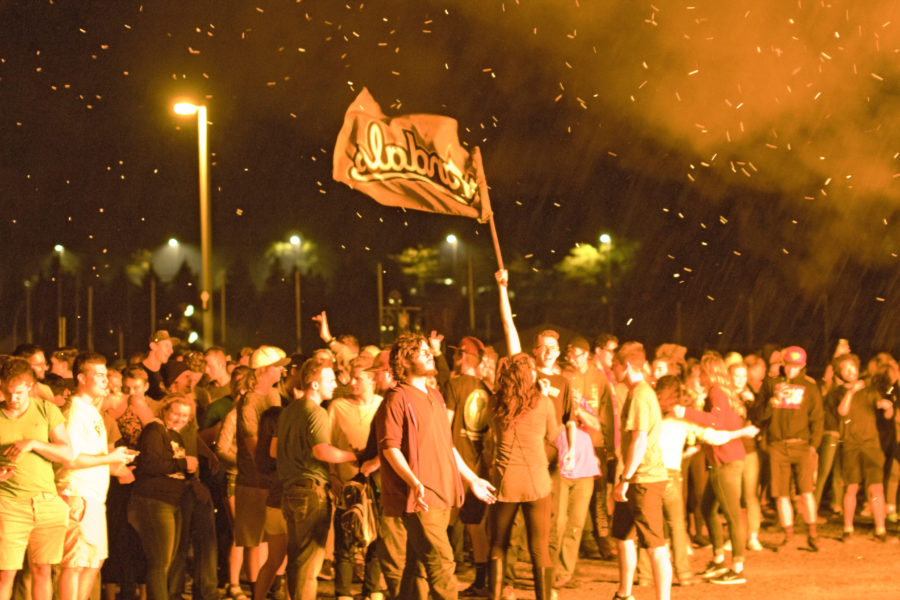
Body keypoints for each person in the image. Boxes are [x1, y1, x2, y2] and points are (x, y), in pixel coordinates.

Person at [375, 333, 496, 600]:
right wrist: (414, 482)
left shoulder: (436, 396)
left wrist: (472, 479)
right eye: (422, 351)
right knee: (442, 563)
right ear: (405, 361)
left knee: (417, 565)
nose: (430, 354)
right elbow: (390, 448)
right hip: (421, 498)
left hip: (443, 493)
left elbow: (447, 446)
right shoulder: (397, 398)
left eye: (429, 350)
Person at [56, 353, 136, 600]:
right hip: (77, 493)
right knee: (75, 563)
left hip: (95, 495)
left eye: (106, 375)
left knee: (94, 560)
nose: (106, 381)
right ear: (81, 378)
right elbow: (70, 458)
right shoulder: (75, 412)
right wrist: (110, 459)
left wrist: (116, 460)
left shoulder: (91, 411)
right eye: (98, 375)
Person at [276, 358, 357, 600]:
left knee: (296, 559)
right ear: (313, 384)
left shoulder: (288, 411)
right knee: (309, 566)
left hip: (290, 491)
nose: (335, 384)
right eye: (330, 380)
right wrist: (355, 456)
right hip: (311, 493)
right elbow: (321, 451)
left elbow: (275, 450)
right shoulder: (316, 412)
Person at [0, 357, 74, 600]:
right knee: (5, 573)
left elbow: (67, 453)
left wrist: (32, 443)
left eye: (19, 393)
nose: (13, 399)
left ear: (31, 387)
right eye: (7, 392)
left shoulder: (46, 409)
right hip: (7, 503)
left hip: (45, 501)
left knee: (43, 569)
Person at [610, 342, 671, 600]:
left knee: (655, 545)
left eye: (614, 366)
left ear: (625, 366)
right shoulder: (639, 392)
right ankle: (624, 594)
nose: (611, 371)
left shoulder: (639, 395)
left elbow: (639, 440)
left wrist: (624, 478)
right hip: (636, 477)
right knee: (623, 536)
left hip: (644, 478)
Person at [682, 354, 748, 584]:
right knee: (708, 507)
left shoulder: (717, 392)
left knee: (731, 515)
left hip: (725, 460)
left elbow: (715, 421)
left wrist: (686, 413)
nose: (699, 375)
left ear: (710, 372)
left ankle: (737, 567)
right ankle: (719, 559)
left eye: (701, 371)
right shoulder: (724, 392)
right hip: (727, 457)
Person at [756, 345, 824, 551]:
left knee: (806, 492)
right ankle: (789, 536)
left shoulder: (810, 387)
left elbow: (818, 418)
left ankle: (812, 534)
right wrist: (770, 404)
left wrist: (814, 445)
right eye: (788, 365)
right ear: (782, 364)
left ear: (802, 366)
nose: (791, 370)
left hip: (802, 445)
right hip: (778, 446)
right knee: (781, 493)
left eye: (796, 366)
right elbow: (758, 416)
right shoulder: (770, 385)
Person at [328, 355, 384, 600]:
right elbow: (326, 444)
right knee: (345, 539)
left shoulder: (383, 405)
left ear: (372, 379)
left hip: (376, 486)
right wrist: (332, 477)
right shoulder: (337, 407)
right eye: (351, 377)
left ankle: (372, 589)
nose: (352, 382)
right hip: (347, 485)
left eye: (358, 378)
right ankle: (343, 592)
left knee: (376, 539)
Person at [442, 336, 491, 597]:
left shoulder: (453, 385)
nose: (453, 359)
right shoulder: (487, 388)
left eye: (455, 354)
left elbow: (443, 427)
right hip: (479, 468)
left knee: (442, 524)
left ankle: (442, 579)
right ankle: (482, 580)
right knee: (475, 527)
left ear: (463, 356)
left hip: (455, 465)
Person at [833, 353, 893, 541]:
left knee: (876, 489)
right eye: (846, 368)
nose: (851, 371)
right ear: (840, 372)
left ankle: (880, 529)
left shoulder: (869, 389)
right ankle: (848, 529)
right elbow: (842, 412)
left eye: (853, 367)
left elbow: (886, 414)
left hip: (871, 445)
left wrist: (888, 406)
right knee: (851, 488)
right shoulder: (838, 392)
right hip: (851, 445)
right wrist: (851, 392)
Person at [142, 332, 175, 401]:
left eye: (171, 347)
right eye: (167, 346)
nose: (171, 351)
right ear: (153, 346)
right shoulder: (137, 371)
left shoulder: (166, 373)